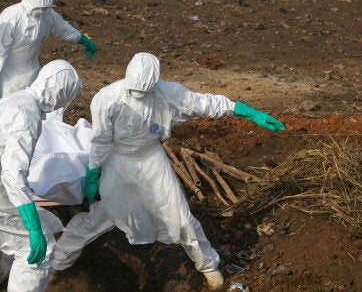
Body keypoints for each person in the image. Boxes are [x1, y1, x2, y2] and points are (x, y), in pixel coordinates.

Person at [51, 52, 285, 290]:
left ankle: (207, 266)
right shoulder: (107, 98)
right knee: (102, 216)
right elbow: (101, 140)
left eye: (144, 93)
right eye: (134, 92)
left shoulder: (168, 93)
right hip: (118, 162)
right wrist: (93, 173)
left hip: (152, 160)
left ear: (154, 85)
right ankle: (57, 264)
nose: (139, 97)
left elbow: (205, 103)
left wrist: (247, 111)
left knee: (181, 217)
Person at [0, 60, 83, 291]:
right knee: (38, 251)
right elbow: (13, 172)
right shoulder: (27, 114)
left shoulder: (15, 99)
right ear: (59, 93)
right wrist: (32, 226)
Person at [0, 0, 96, 102]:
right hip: (10, 79)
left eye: (44, 8)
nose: (41, 11)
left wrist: (84, 40)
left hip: (34, 74)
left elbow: (64, 30)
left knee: (34, 108)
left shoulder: (47, 15)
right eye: (39, 8)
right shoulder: (11, 16)